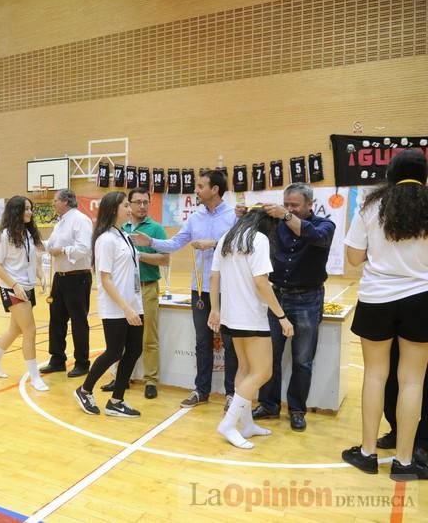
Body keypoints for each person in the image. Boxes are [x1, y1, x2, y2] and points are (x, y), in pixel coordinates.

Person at [341, 149, 428, 481]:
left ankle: (367, 453)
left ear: (390, 173)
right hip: (422, 299)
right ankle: (404, 462)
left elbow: (352, 258)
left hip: (376, 298)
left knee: (375, 375)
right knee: (413, 379)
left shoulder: (371, 206)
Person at [132, 170, 237, 409]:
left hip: (227, 288)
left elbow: (241, 246)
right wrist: (151, 243)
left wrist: (213, 244)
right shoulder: (195, 217)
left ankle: (232, 393)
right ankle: (201, 390)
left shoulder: (233, 216)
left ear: (215, 190)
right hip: (199, 289)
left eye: (200, 186)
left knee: (230, 342)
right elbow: (176, 243)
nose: (196, 190)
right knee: (202, 341)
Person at [250, 183, 336, 432]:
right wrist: (244, 215)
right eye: (286, 204)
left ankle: (297, 409)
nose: (289, 209)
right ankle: (268, 404)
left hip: (308, 299)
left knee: (302, 360)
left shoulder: (325, 225)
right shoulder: (274, 223)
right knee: (270, 356)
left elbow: (316, 237)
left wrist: (285, 216)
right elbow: (250, 233)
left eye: (294, 206)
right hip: (276, 297)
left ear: (310, 204)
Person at [209, 206, 294, 449]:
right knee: (263, 372)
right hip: (251, 317)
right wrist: (282, 316)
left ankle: (246, 424)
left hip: (230, 316)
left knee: (245, 369)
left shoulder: (227, 238)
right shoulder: (259, 239)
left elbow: (214, 277)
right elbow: (261, 282)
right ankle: (228, 423)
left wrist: (215, 308)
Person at [73, 191, 144, 417]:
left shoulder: (123, 234)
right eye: (125, 205)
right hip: (116, 307)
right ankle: (85, 390)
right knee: (114, 351)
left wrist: (133, 305)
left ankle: (116, 401)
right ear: (114, 209)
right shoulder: (105, 240)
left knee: (134, 350)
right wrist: (125, 307)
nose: (130, 209)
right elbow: (105, 278)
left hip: (134, 304)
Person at [101, 188, 169, 399]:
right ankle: (122, 378)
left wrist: (137, 255)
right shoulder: (121, 228)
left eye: (145, 202)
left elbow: (164, 259)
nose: (142, 206)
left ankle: (151, 380)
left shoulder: (156, 229)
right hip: (123, 291)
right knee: (120, 340)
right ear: (128, 204)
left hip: (146, 287)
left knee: (148, 337)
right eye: (137, 202)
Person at [0, 195, 47, 391]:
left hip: (27, 287)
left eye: (30, 208)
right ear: (16, 211)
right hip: (13, 289)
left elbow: (32, 259)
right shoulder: (5, 235)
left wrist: (41, 274)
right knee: (30, 331)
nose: (30, 212)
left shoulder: (28, 233)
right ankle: (35, 377)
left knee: (15, 330)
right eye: (26, 209)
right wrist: (14, 285)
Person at [40, 189, 93, 378]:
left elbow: (84, 248)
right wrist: (39, 243)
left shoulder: (81, 220)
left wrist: (62, 250)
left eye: (55, 200)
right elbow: (52, 244)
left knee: (78, 321)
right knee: (56, 320)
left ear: (65, 202)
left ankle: (82, 362)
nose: (53, 203)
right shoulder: (61, 222)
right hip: (60, 277)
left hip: (78, 277)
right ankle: (57, 359)